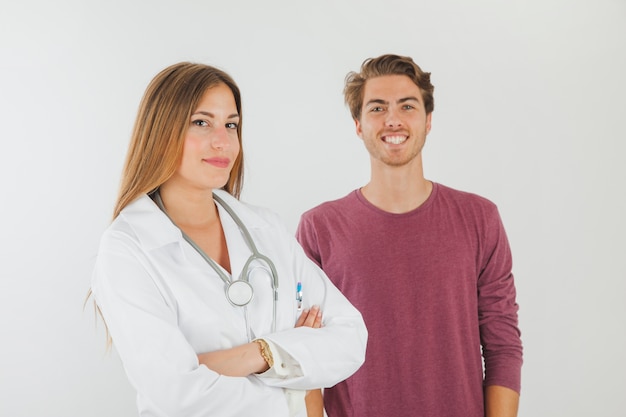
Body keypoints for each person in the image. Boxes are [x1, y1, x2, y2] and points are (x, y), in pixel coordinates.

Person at [90, 62, 367, 417]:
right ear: (161, 130)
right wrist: (299, 384)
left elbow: (351, 338)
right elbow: (176, 395)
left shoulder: (264, 228)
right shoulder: (127, 248)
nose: (222, 141)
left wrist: (261, 354)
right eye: (201, 122)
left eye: (231, 125)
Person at [296, 54, 523, 417]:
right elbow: (304, 352)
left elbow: (502, 344)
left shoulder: (480, 218)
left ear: (428, 120)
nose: (393, 119)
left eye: (407, 105)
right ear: (357, 124)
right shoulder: (320, 228)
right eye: (377, 108)